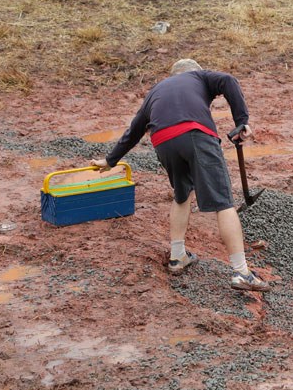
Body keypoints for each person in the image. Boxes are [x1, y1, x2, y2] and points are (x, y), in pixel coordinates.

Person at [91, 59, 269, 292]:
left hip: (163, 142)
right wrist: (242, 122)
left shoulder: (156, 91)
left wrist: (111, 159)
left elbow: (134, 130)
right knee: (223, 202)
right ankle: (242, 272)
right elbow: (228, 80)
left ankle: (177, 256)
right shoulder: (200, 77)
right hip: (196, 134)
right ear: (195, 72)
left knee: (182, 194)